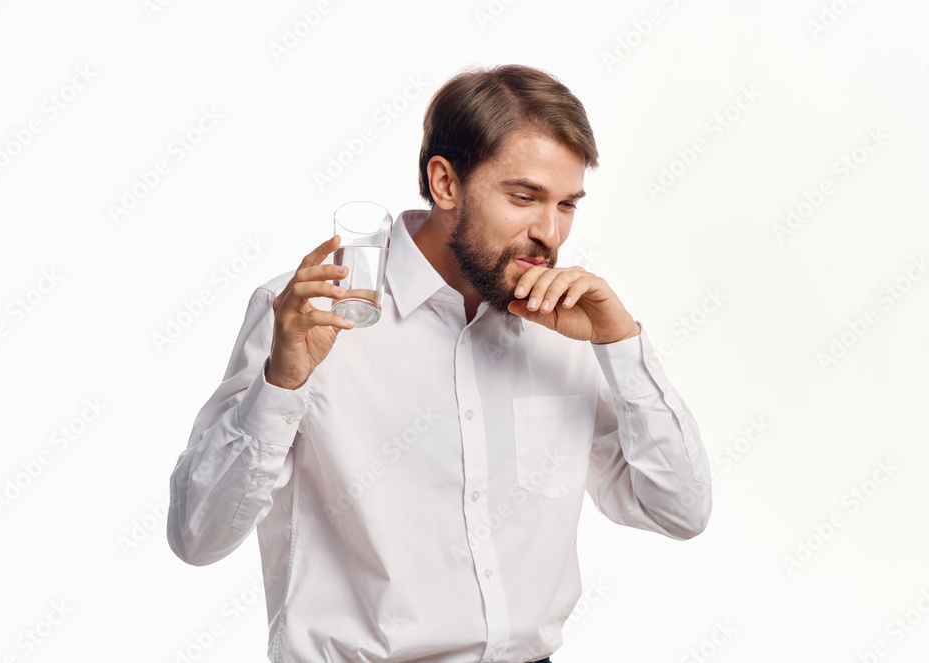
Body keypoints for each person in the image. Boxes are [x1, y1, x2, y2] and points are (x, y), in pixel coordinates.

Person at [167, 64, 711, 663]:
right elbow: (198, 537)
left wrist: (621, 345)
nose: (549, 233)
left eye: (567, 205)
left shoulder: (570, 327)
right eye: (524, 197)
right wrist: (280, 382)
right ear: (446, 183)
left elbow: (679, 510)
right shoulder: (310, 315)